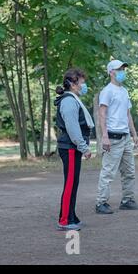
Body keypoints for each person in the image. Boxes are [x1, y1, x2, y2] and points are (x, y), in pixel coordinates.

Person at [95, 60, 138, 214]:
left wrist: (134, 134)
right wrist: (105, 136)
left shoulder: (124, 91)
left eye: (123, 69)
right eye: (119, 69)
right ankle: (101, 202)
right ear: (111, 72)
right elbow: (102, 114)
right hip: (113, 137)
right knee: (108, 172)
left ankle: (127, 200)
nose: (123, 71)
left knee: (129, 171)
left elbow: (128, 114)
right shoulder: (107, 91)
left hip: (125, 137)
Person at [54, 68, 93, 231]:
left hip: (72, 147)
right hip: (70, 147)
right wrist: (83, 147)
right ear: (72, 83)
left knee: (73, 182)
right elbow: (73, 128)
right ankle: (64, 220)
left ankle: (71, 216)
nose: (84, 85)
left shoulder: (72, 99)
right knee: (70, 183)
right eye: (82, 82)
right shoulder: (69, 101)